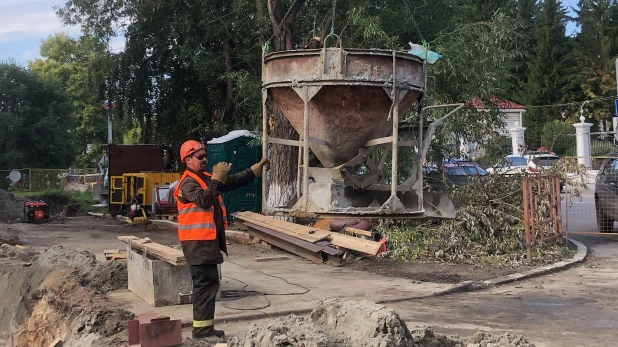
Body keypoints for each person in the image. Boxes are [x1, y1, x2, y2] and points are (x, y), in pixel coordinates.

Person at [173, 140, 268, 341]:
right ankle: (201, 332)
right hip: (197, 244)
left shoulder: (205, 178)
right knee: (204, 286)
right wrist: (216, 180)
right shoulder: (188, 182)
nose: (205, 159)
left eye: (205, 155)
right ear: (187, 160)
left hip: (206, 243)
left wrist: (251, 172)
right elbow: (204, 199)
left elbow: (230, 182)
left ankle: (206, 328)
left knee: (210, 285)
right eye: (200, 157)